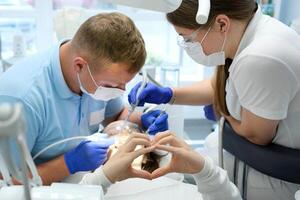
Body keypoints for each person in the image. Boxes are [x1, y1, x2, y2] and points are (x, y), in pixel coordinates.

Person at [128, 0, 300, 199]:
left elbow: (257, 135)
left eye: (187, 38)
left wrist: (222, 113)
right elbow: (217, 86)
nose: (187, 45)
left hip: (269, 182)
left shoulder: (261, 57)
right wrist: (168, 94)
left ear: (221, 24)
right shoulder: (245, 33)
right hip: (242, 168)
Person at [0, 12, 168, 185]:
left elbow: (116, 116)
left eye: (124, 85)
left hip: (80, 183)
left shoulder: (96, 73)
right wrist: (68, 163)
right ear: (79, 65)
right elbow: (5, 181)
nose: (119, 91)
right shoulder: (21, 99)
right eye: (111, 86)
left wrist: (142, 120)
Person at [79, 132, 242, 200]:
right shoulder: (96, 190)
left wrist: (207, 173)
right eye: (115, 143)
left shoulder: (180, 186)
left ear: (145, 154)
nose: (121, 142)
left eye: (128, 138)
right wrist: (100, 178)